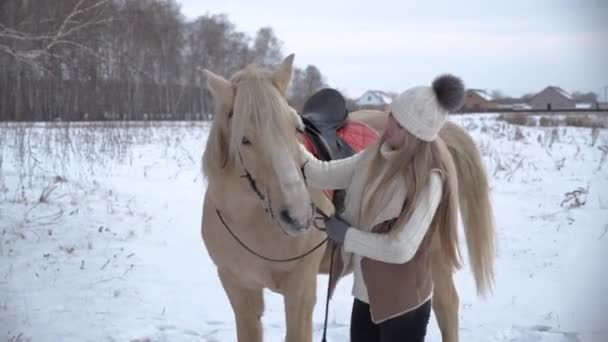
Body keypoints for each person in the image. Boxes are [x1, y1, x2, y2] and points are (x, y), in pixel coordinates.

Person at [299, 74, 465, 342]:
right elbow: (324, 173)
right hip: (366, 295)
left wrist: (347, 236)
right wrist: (287, 146)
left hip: (404, 305)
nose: (386, 128)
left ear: (413, 133)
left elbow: (400, 248)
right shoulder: (375, 156)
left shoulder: (429, 180)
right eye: (390, 116)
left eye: (396, 124)